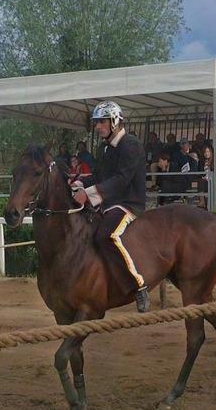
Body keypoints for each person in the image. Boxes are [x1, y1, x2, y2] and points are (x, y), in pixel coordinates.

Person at [72, 101, 150, 312]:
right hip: (108, 203)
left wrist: (87, 195)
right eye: (97, 122)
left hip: (128, 204)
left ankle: (138, 286)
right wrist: (78, 183)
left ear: (115, 121)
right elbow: (99, 176)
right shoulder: (104, 147)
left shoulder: (130, 145)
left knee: (106, 235)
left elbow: (121, 180)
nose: (97, 126)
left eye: (102, 122)